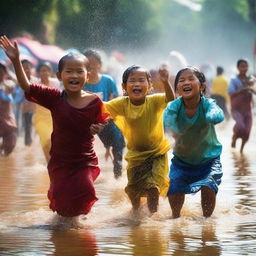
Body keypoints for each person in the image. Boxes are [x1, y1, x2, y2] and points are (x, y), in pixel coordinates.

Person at [0, 35, 109, 227]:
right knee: (62, 202)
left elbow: (101, 122)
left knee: (85, 189)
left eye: (79, 71)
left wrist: (97, 128)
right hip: (60, 161)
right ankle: (65, 230)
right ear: (59, 76)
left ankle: (79, 229)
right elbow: (26, 86)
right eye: (69, 71)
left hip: (84, 160)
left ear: (88, 76)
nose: (74, 75)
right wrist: (15, 60)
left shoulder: (94, 101)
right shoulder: (54, 97)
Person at [91, 65, 175, 214]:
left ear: (149, 86)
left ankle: (152, 217)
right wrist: (83, 100)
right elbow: (101, 109)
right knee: (133, 190)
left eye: (141, 80)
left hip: (158, 153)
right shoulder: (122, 104)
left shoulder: (154, 101)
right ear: (124, 87)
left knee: (153, 186)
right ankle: (136, 213)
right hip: (135, 155)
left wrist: (165, 81)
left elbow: (170, 98)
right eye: (132, 81)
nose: (136, 84)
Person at [164, 67, 224, 218]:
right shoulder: (175, 106)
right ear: (177, 88)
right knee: (175, 188)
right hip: (182, 161)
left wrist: (212, 116)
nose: (186, 82)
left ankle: (207, 224)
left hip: (209, 160)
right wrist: (174, 130)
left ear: (202, 86)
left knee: (208, 186)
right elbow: (168, 118)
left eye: (191, 79)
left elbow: (217, 112)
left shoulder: (207, 104)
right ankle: (175, 220)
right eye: (181, 80)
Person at [83, 49, 125, 179]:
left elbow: (115, 100)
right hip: (93, 123)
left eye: (93, 63)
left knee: (119, 144)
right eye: (87, 64)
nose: (90, 66)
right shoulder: (81, 83)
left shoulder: (107, 80)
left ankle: (117, 177)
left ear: (100, 65)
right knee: (104, 144)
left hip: (110, 120)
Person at [33, 61, 60, 162]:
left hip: (52, 118)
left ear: (50, 72)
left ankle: (51, 163)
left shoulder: (55, 83)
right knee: (45, 141)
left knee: (52, 142)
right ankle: (49, 164)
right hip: (40, 118)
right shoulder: (35, 84)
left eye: (46, 70)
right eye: (42, 71)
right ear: (38, 73)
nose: (44, 73)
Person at [228, 59, 256, 153]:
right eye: (242, 66)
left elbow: (254, 91)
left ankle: (241, 151)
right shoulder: (234, 80)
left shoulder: (251, 79)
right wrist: (242, 89)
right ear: (238, 68)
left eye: (246, 66)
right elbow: (230, 93)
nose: (244, 68)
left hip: (248, 109)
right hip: (236, 109)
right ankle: (234, 137)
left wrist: (251, 89)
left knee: (247, 132)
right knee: (241, 126)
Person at [0, 62, 17, 156]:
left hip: (7, 122)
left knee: (9, 147)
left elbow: (14, 84)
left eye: (1, 70)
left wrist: (9, 73)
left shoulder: (8, 83)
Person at [20, 59, 36, 146]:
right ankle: (28, 146)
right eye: (23, 68)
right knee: (27, 128)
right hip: (25, 109)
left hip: (36, 109)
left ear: (31, 69)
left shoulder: (36, 81)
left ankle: (31, 147)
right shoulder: (19, 81)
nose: (26, 70)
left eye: (28, 68)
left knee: (33, 128)